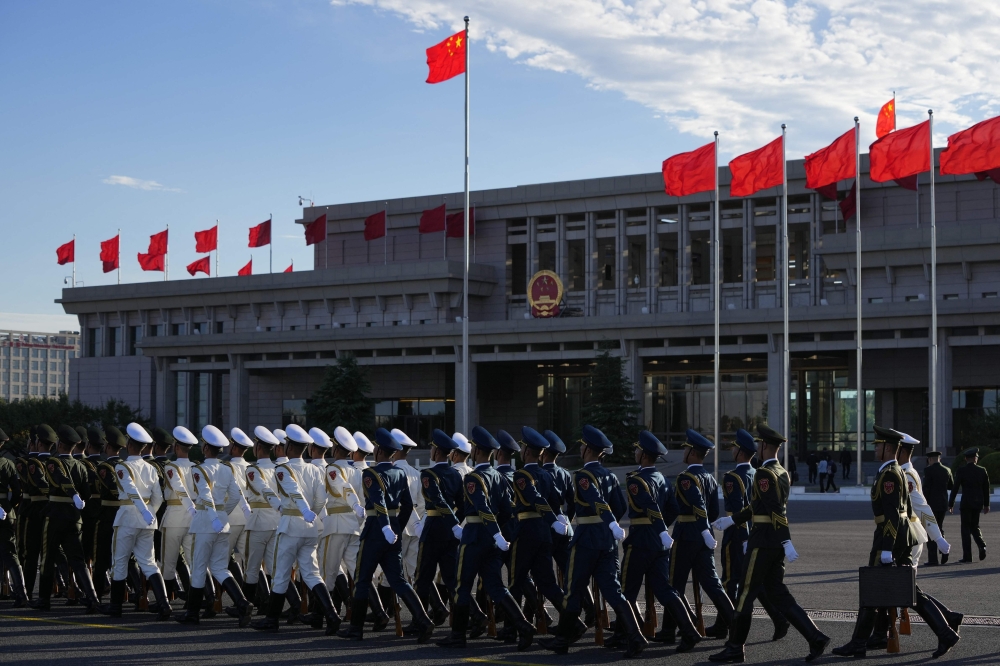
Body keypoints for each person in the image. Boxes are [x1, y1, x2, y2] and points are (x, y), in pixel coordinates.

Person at [832, 425, 960, 659]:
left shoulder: (891, 473)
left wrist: (887, 549)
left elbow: (894, 513)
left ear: (888, 448)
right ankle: (944, 632)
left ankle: (860, 642)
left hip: (889, 538)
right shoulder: (897, 471)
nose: (875, 449)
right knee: (906, 591)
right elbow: (908, 508)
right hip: (901, 536)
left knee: (876, 589)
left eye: (878, 445)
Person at [710, 424, 829, 663]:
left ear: (764, 446)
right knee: (778, 593)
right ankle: (815, 637)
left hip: (763, 541)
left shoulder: (764, 473)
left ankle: (735, 647)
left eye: (759, 445)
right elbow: (758, 506)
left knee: (744, 594)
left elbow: (775, 510)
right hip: (772, 543)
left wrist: (787, 540)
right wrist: (732, 520)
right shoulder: (781, 471)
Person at [539, 425, 645, 657]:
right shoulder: (609, 475)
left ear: (587, 449)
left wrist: (607, 522)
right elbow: (620, 506)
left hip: (587, 539)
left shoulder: (584, 476)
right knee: (613, 591)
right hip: (606, 540)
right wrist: (610, 525)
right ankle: (635, 636)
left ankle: (562, 641)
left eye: (583, 445)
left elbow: (598, 502)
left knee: (573, 590)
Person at [437, 426, 535, 651]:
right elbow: (506, 511)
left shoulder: (474, 478)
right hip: (491, 539)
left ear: (477, 451)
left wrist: (493, 532)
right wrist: (497, 533)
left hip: (474, 537)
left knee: (462, 586)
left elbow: (481, 508)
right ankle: (524, 626)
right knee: (496, 586)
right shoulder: (498, 477)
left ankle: (458, 635)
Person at [338, 428, 433, 642]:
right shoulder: (399, 473)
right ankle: (423, 620)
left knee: (362, 579)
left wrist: (385, 527)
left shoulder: (370, 474)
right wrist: (396, 526)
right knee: (399, 580)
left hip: (375, 531)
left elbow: (378, 502)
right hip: (393, 532)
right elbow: (407, 505)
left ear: (379, 451)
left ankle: (356, 628)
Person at [613, 430, 702, 654]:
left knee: (626, 592)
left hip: (641, 540)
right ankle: (689, 631)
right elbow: (672, 509)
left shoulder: (636, 480)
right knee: (665, 590)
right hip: (659, 544)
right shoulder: (662, 478)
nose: (635, 452)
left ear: (643, 455)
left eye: (637, 449)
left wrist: (657, 528)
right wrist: (662, 530)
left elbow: (650, 507)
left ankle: (634, 637)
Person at [250, 424, 342, 634]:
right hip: (310, 529)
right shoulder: (313, 469)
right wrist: (313, 514)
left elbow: (294, 490)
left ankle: (272, 619)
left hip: (291, 526)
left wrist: (302, 510)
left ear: (289, 446)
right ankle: (332, 615)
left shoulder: (283, 469)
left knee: (281, 573)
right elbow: (321, 498)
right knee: (311, 573)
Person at [709, 429, 789, 642]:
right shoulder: (758, 473)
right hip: (755, 535)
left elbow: (737, 510)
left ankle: (724, 625)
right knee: (755, 582)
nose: (732, 450)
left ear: (740, 453)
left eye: (734, 447)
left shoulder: (732, 478)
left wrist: (742, 537)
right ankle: (778, 618)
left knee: (729, 581)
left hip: (737, 536)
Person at [174, 425, 255, 627]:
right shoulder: (227, 469)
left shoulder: (199, 470)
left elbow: (205, 495)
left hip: (205, 522)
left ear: (205, 448)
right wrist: (222, 513)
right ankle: (242, 603)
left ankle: (192, 613)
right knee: (220, 567)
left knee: (199, 566)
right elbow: (236, 495)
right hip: (222, 521)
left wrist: (214, 517)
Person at [660, 429, 734, 642]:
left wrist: (700, 528)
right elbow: (712, 511)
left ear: (692, 452)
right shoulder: (709, 477)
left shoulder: (686, 478)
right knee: (711, 583)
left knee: (674, 583)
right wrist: (705, 530)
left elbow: (699, 506)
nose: (683, 451)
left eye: (685, 448)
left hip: (686, 535)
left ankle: (673, 629)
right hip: (704, 536)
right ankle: (734, 624)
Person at [99, 423, 172, 620]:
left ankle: (115, 606)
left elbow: (130, 490)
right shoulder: (150, 468)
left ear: (130, 445)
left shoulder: (123, 467)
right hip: (147, 520)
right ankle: (164, 604)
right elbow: (158, 497)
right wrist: (149, 513)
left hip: (128, 518)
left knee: (120, 561)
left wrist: (142, 511)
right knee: (148, 563)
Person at [32, 424, 101, 612]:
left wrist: (73, 495)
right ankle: (92, 597)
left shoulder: (53, 463)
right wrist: (78, 501)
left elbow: (61, 479)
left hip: (55, 516)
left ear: (60, 444)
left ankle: (44, 599)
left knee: (47, 558)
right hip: (74, 517)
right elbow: (86, 493)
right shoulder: (80, 465)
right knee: (78, 560)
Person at [506, 427, 566, 638]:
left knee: (515, 580)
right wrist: (558, 518)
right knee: (547, 582)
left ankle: (512, 628)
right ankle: (572, 621)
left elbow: (535, 498)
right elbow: (556, 500)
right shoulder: (546, 474)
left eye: (522, 447)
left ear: (527, 452)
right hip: (544, 534)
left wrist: (554, 519)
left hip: (526, 532)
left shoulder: (521, 475)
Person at [412, 429, 464, 626]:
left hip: (433, 530)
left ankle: (421, 622)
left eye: (432, 448)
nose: (431, 451)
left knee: (423, 578)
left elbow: (438, 501)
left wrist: (451, 523)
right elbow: (463, 506)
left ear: (437, 452)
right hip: (450, 534)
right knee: (451, 580)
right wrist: (455, 524)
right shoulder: (455, 474)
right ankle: (461, 621)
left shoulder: (428, 474)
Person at [318, 427, 365, 617]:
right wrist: (358, 515)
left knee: (328, 572)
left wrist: (355, 506)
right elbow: (362, 497)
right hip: (353, 527)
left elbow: (344, 489)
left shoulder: (332, 469)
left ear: (336, 449)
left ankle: (325, 615)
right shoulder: (356, 470)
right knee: (356, 572)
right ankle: (374, 612)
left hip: (336, 525)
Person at [242, 426, 282, 611]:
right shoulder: (279, 469)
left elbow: (262, 489)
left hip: (259, 521)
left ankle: (246, 606)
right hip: (277, 521)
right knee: (273, 568)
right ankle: (272, 607)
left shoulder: (253, 470)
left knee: (251, 566)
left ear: (257, 446)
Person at [159, 426, 197, 602]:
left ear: (176, 447)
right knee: (193, 561)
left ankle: (165, 600)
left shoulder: (171, 467)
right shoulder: (196, 467)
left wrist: (189, 507)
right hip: (194, 518)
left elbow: (179, 488)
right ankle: (195, 598)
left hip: (175, 517)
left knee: (168, 562)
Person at [390, 428, 423, 584]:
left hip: (397, 524)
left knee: (390, 572)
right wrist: (418, 524)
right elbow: (422, 504)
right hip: (415, 527)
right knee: (416, 571)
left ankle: (389, 607)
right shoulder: (416, 473)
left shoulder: (392, 472)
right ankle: (423, 606)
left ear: (395, 450)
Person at [0, 428, 26, 607]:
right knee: (10, 553)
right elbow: (17, 492)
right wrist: (8, 507)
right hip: (6, 511)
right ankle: (20, 592)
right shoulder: (9, 463)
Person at [949, 448, 990, 563]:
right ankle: (982, 545)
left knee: (965, 529)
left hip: (966, 503)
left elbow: (955, 488)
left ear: (966, 459)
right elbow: (986, 489)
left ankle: (967, 556)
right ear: (975, 459)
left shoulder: (961, 471)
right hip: (978, 503)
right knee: (975, 526)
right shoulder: (982, 470)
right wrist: (986, 504)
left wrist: (951, 503)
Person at [923, 450, 954, 566]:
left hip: (931, 504)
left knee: (931, 530)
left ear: (930, 460)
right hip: (942, 504)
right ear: (939, 459)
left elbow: (926, 488)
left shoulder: (928, 470)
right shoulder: (947, 470)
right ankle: (944, 550)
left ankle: (933, 559)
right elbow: (951, 485)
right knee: (939, 527)